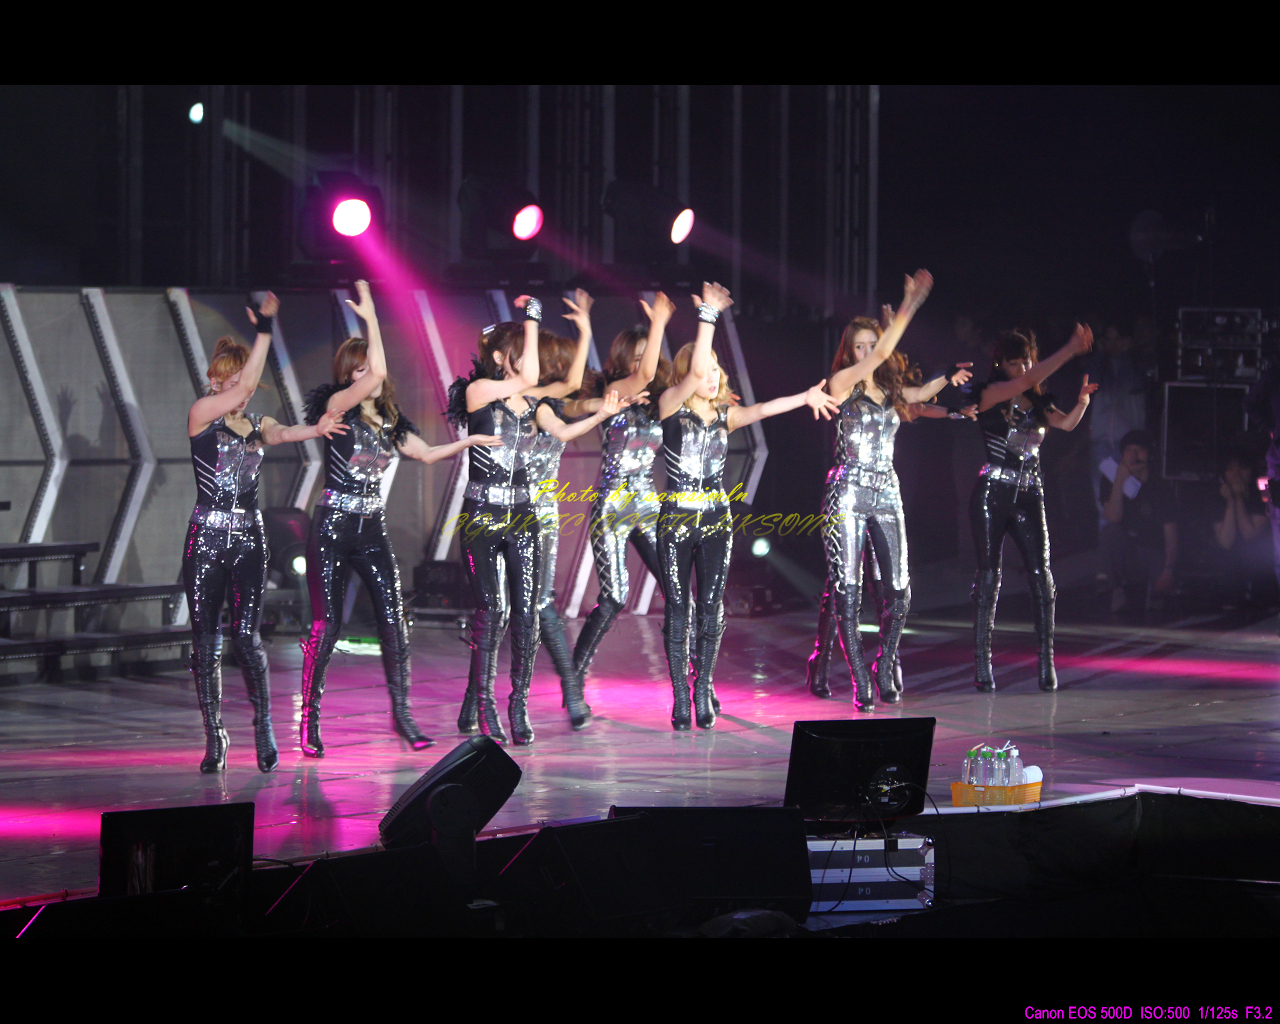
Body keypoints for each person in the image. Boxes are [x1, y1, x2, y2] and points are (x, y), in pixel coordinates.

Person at [299, 281, 499, 758]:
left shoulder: (390, 420)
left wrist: (469, 442)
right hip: (332, 526)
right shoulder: (335, 408)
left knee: (394, 621)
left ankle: (403, 715)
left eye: (367, 368)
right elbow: (377, 373)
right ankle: (310, 720)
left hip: (371, 529)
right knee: (326, 627)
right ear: (347, 376)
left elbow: (425, 453)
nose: (367, 375)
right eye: (358, 370)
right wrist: (371, 316)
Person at [657, 282, 839, 730]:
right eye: (706, 369)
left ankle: (703, 688)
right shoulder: (670, 406)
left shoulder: (726, 416)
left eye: (717, 370)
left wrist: (805, 397)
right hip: (676, 519)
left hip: (716, 520)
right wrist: (709, 316)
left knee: (712, 607)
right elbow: (693, 373)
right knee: (679, 608)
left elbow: (766, 409)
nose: (712, 376)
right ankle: (680, 693)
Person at [184, 292, 349, 773]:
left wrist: (316, 429)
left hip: (249, 541)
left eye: (243, 380)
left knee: (246, 637)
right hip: (206, 540)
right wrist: (263, 330)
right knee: (205, 641)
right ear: (214, 382)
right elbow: (241, 388)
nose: (239, 387)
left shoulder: (258, 425)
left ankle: (263, 728)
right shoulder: (201, 415)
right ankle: (215, 737)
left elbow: (283, 433)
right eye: (229, 380)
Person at [806, 275, 977, 709]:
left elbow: (919, 395)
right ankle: (859, 678)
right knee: (847, 590)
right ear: (850, 352)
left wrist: (947, 378)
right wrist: (910, 303)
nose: (868, 352)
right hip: (847, 492)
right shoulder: (841, 383)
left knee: (899, 589)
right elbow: (884, 354)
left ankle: (885, 663)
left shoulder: (888, 390)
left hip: (886, 491)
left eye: (871, 345)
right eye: (860, 346)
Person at [971, 325, 1098, 693]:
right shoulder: (990, 393)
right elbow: (1025, 381)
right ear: (1002, 365)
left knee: (1042, 577)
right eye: (1015, 363)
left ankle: (1046, 662)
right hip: (993, 493)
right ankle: (982, 663)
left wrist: (1082, 403)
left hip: (1030, 494)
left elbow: (1067, 424)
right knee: (989, 578)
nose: (1023, 369)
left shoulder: (1039, 401)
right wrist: (1070, 349)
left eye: (1027, 361)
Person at [570, 293, 675, 681]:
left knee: (677, 590)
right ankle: (574, 674)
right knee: (614, 596)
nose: (642, 362)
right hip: (613, 504)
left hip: (647, 502)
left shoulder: (659, 401)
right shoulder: (613, 391)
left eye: (647, 355)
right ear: (622, 358)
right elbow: (641, 377)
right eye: (636, 356)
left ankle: (692, 679)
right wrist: (659, 322)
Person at [1099, 429, 1178, 613]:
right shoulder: (1110, 480)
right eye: (1129, 450)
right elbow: (1113, 517)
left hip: (1153, 552)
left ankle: (1155, 592)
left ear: (1148, 454)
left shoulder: (1160, 486)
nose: (1134, 455)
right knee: (1109, 532)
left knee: (1159, 597)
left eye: (1140, 449)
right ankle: (1117, 590)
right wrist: (1119, 481)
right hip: (1128, 552)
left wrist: (1169, 570)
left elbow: (1171, 534)